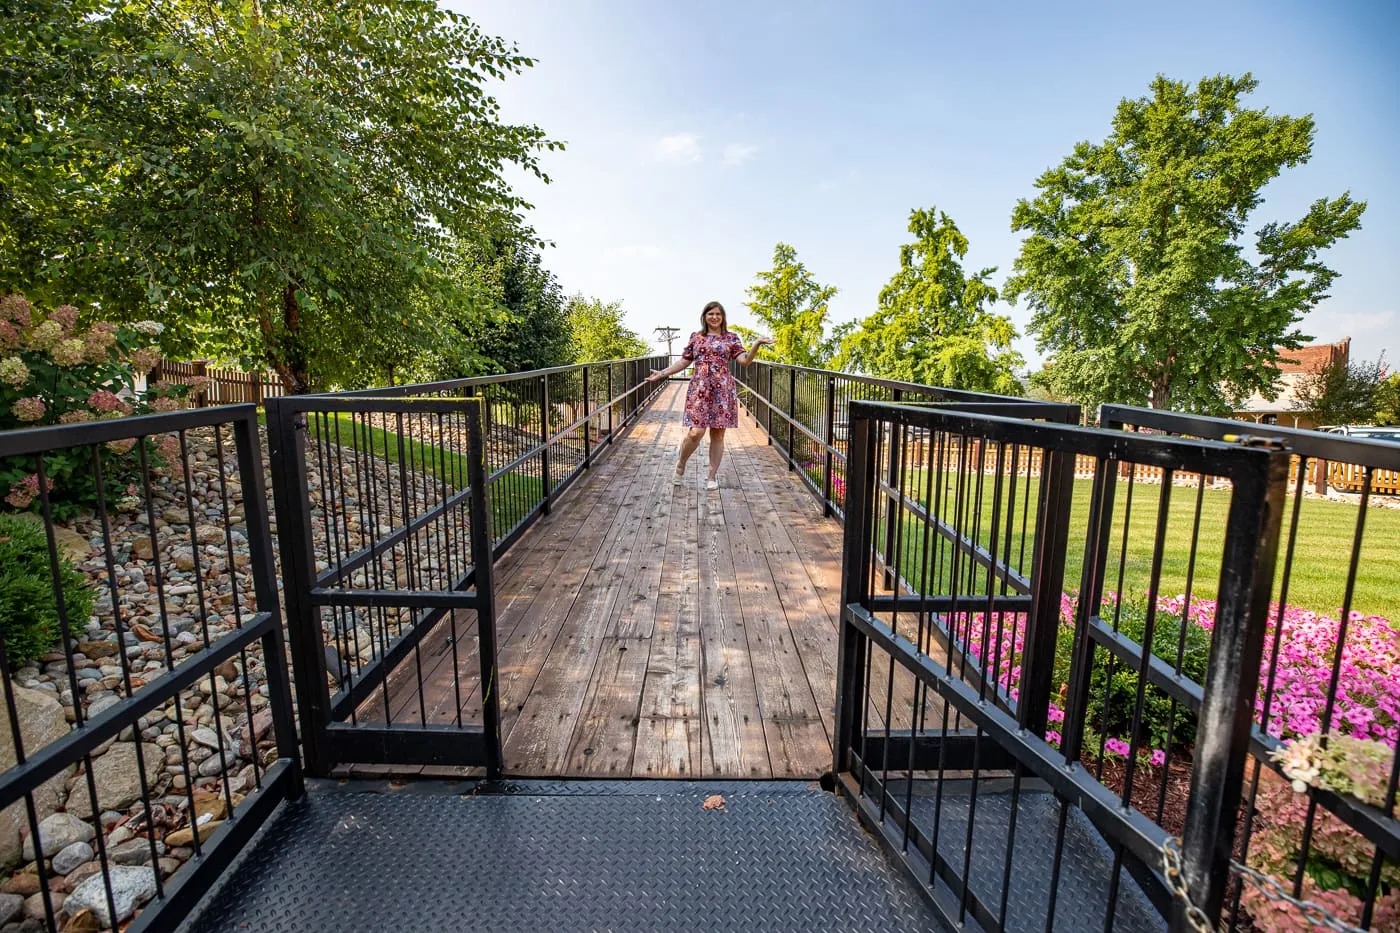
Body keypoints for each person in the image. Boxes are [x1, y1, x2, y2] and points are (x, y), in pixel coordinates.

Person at [646, 301, 774, 490]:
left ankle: (711, 477)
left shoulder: (731, 338)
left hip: (722, 390)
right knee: (696, 432)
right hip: (699, 388)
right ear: (704, 317)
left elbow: (744, 361)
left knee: (718, 434)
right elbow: (683, 361)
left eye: (718, 314)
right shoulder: (696, 337)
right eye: (710, 314)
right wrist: (663, 373)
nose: (714, 317)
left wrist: (756, 344)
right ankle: (681, 464)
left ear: (723, 317)